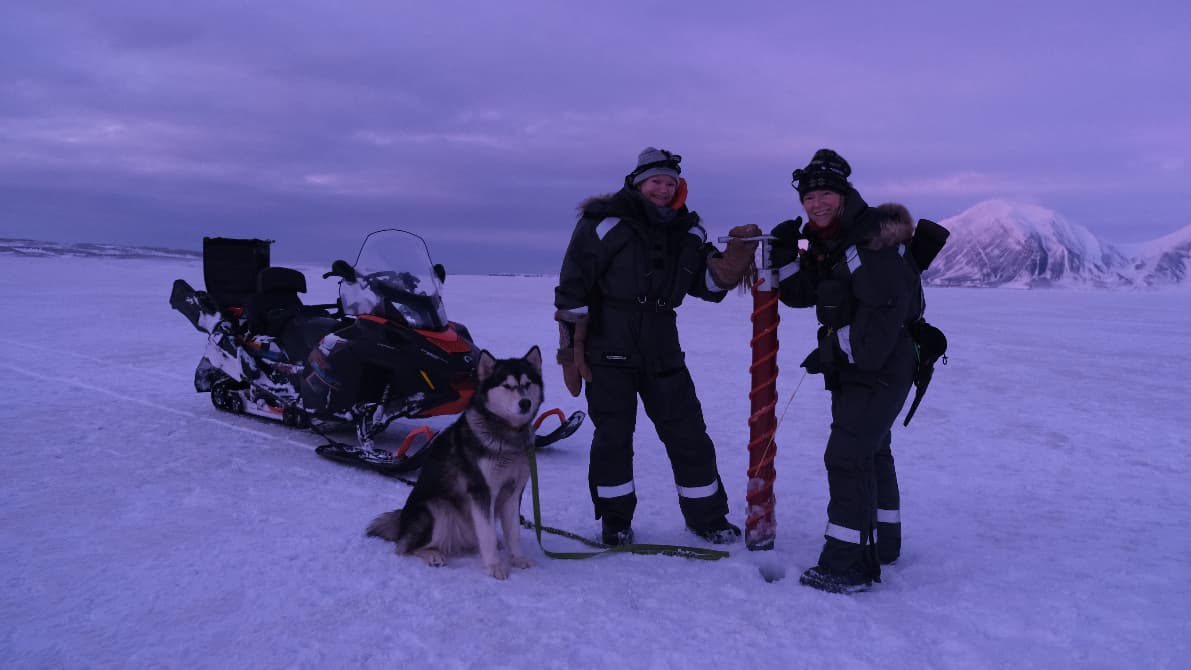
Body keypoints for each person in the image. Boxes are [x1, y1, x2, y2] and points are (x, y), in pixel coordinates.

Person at [554, 147, 760, 546]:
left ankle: (708, 518)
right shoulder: (605, 223)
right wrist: (569, 347)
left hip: (663, 345)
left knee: (688, 434)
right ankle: (615, 523)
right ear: (637, 182)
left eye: (670, 183)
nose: (663, 189)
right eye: (655, 182)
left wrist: (735, 260)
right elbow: (572, 285)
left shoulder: (686, 232)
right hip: (608, 347)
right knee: (614, 438)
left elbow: (708, 286)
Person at [769, 148, 925, 593]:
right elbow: (802, 294)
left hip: (880, 364)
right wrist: (785, 255)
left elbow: (878, 327)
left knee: (847, 455)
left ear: (843, 194)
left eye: (824, 194)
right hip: (863, 363)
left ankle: (848, 564)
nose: (815, 204)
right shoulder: (835, 239)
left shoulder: (870, 242)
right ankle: (884, 544)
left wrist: (833, 350)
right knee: (873, 451)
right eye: (808, 197)